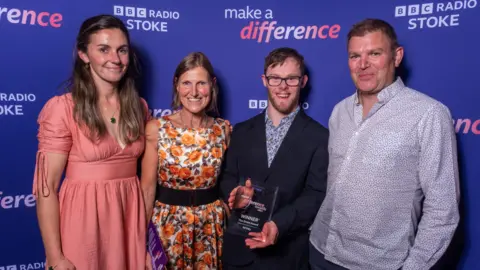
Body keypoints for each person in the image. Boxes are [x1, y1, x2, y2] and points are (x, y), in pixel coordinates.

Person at [309, 18, 460, 270]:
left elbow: (443, 208)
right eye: (355, 56)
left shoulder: (429, 114)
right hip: (321, 250)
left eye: (374, 53)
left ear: (396, 56)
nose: (363, 64)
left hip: (378, 263)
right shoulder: (339, 111)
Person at [33, 15, 150, 270]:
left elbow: (149, 180)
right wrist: (55, 257)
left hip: (129, 221)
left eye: (122, 50)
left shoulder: (139, 108)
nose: (115, 59)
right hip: (83, 224)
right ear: (84, 54)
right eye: (103, 49)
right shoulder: (62, 109)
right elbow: (47, 189)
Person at [219, 47, 329, 270]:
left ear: (303, 81)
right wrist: (237, 195)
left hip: (288, 257)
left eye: (291, 79)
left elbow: (316, 194)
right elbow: (226, 178)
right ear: (264, 80)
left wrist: (278, 224)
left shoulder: (319, 136)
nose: (283, 86)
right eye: (275, 78)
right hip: (239, 254)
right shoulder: (240, 131)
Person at [141, 52, 231, 270]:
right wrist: (142, 243)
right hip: (167, 226)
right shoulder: (157, 129)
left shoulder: (223, 130)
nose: (194, 92)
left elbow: (228, 185)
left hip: (210, 227)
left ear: (212, 85)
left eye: (201, 83)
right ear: (176, 85)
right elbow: (147, 190)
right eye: (186, 83)